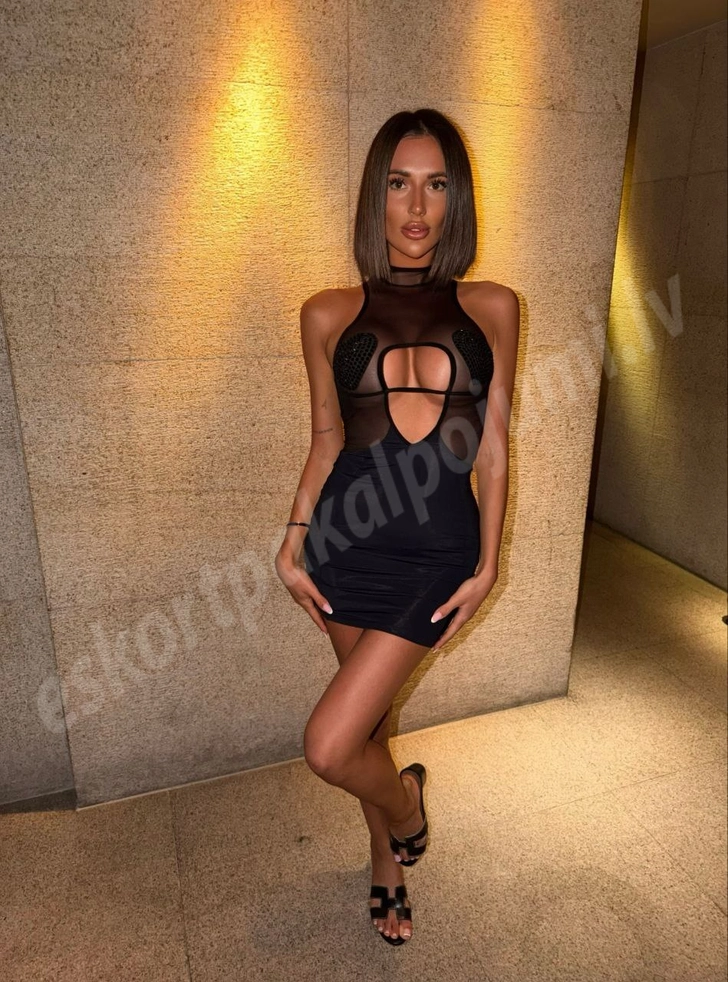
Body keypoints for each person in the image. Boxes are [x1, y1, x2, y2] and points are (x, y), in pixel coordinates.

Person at [274, 108, 519, 945]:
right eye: (398, 183)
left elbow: (492, 446)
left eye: (436, 184)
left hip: (439, 554)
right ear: (374, 196)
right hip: (345, 547)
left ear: (457, 199)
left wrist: (488, 564)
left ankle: (406, 805)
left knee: (330, 744)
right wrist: (291, 541)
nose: (417, 207)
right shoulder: (325, 311)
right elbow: (325, 439)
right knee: (369, 729)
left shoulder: (493, 306)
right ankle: (389, 858)